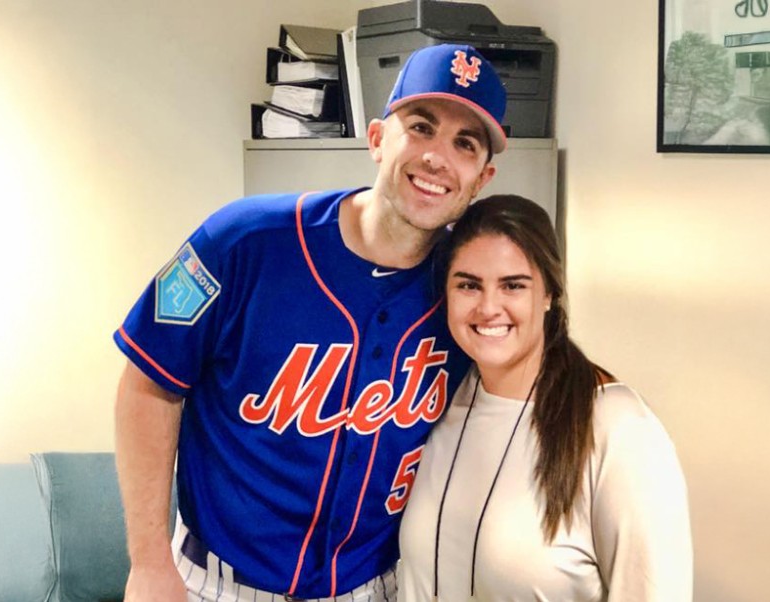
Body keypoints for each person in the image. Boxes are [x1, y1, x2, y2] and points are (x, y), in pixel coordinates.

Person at [112, 44, 507, 602]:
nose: (438, 158)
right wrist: (149, 565)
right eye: (421, 127)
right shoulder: (243, 241)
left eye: (465, 144)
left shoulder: (466, 290)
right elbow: (149, 383)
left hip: (377, 588)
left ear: (482, 175)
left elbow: (528, 373)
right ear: (377, 139)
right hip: (214, 585)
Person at [397, 195, 694, 601]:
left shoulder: (619, 429)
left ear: (549, 293)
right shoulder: (435, 402)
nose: (488, 308)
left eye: (513, 285)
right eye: (468, 284)